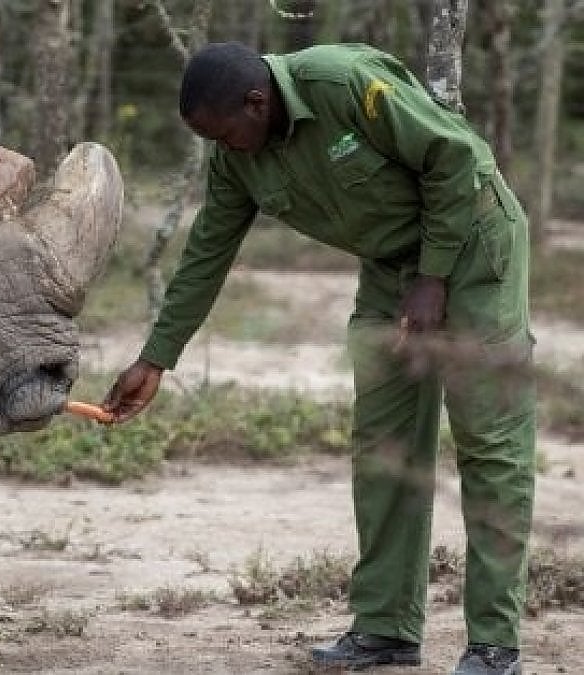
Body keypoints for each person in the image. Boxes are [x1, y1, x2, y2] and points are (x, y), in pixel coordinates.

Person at [102, 42, 534, 675]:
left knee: (490, 442)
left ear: (258, 101)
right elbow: (206, 254)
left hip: (473, 249)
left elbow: (457, 156)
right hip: (392, 269)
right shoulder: (236, 159)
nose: (227, 150)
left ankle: (495, 645)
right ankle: (386, 630)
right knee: (384, 447)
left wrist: (434, 278)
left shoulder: (342, 83)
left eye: (228, 134)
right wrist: (155, 359)